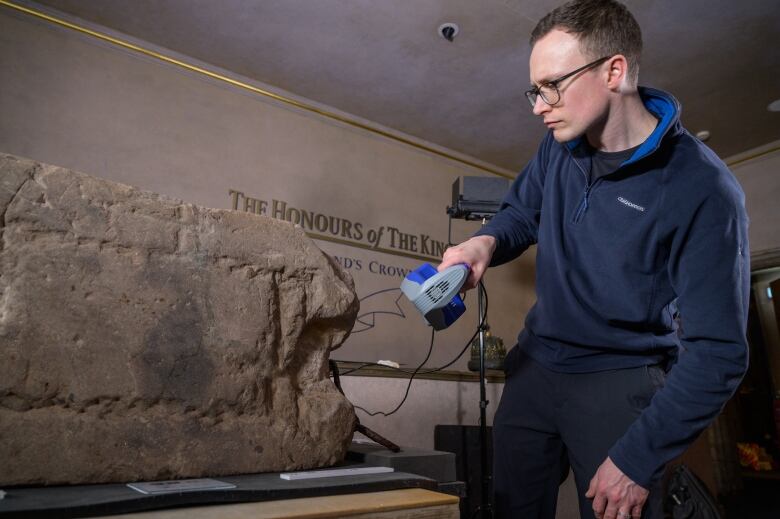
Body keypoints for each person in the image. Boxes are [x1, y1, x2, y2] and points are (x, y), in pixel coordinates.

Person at [437, 1, 750, 518]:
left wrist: (638, 458)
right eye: (534, 90)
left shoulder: (704, 189)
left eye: (552, 85)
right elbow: (520, 213)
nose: (540, 105)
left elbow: (719, 353)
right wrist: (484, 244)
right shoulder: (558, 145)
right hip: (535, 368)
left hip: (619, 378)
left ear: (615, 71)